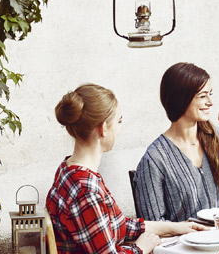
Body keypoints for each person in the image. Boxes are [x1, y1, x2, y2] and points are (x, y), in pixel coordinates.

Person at [46, 84, 206, 254]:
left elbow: (116, 225)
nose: (120, 128)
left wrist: (174, 227)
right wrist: (140, 248)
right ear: (104, 128)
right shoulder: (85, 190)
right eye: (119, 121)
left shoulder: (68, 169)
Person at [134, 63, 219, 222]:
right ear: (181, 99)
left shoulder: (217, 136)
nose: (210, 102)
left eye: (210, 94)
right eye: (203, 96)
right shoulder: (154, 159)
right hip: (182, 245)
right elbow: (153, 223)